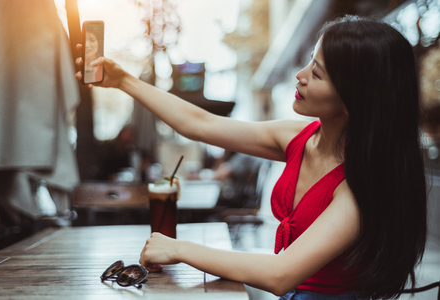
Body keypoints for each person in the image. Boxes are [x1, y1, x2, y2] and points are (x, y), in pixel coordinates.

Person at [75, 15, 427, 299]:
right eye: (309, 62)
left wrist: (179, 249)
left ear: (352, 100)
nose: (299, 76)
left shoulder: (361, 184)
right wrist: (122, 81)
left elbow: (280, 274)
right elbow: (198, 123)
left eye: (316, 73)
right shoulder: (298, 137)